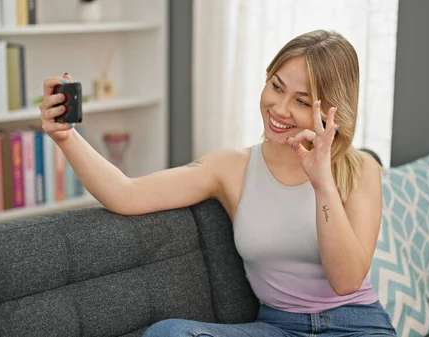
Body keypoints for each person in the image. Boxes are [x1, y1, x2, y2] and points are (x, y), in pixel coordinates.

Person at [39, 29, 396, 337]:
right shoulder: (232, 168)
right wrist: (67, 138)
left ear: (330, 112)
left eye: (301, 101)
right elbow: (126, 194)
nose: (280, 109)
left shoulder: (360, 170)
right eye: (276, 86)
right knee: (169, 334)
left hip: (358, 325)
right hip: (277, 328)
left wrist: (322, 183)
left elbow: (346, 281)